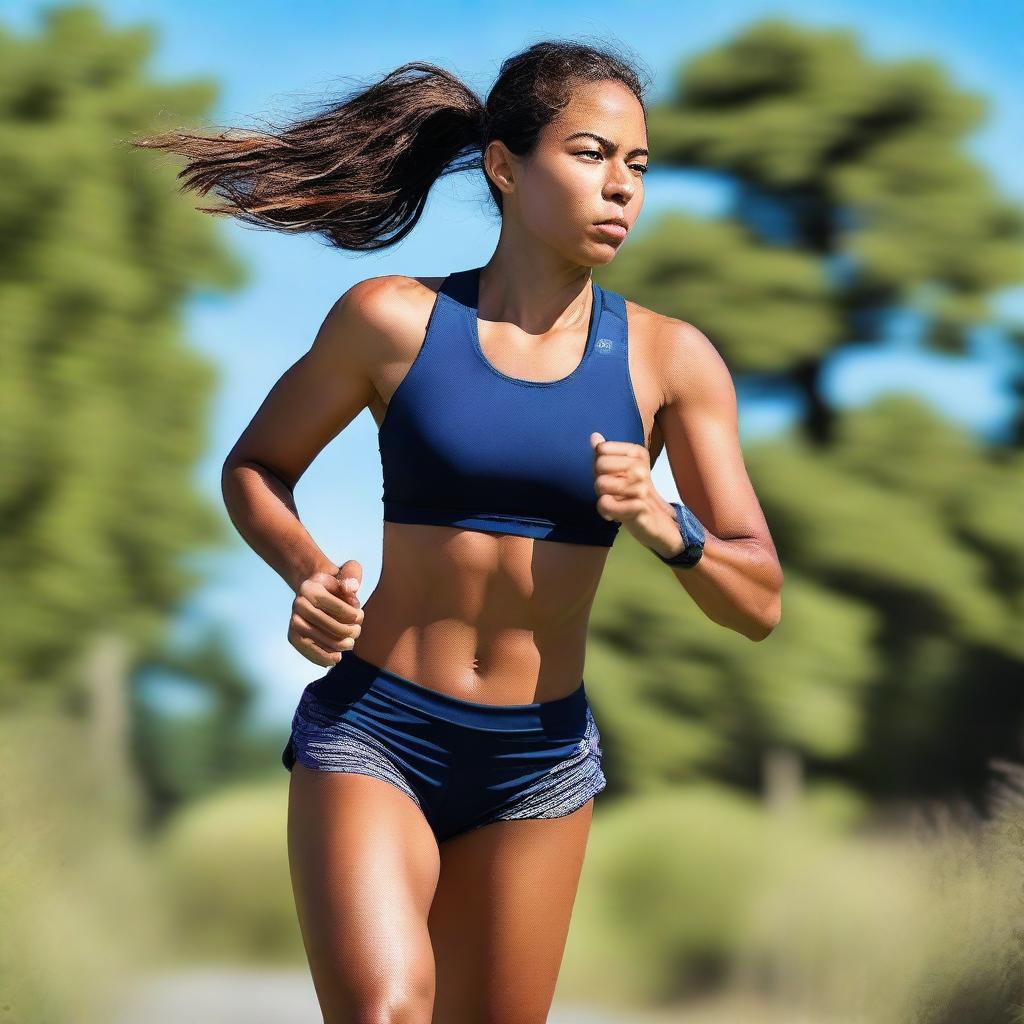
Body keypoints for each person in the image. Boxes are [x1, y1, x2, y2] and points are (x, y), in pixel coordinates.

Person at [137, 39, 782, 1024]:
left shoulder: (670, 361)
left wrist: (665, 521)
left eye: (638, 166)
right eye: (590, 154)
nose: (621, 189)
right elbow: (256, 468)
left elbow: (759, 599)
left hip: (538, 763)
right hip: (378, 732)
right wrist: (305, 570)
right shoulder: (394, 322)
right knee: (389, 1009)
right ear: (503, 165)